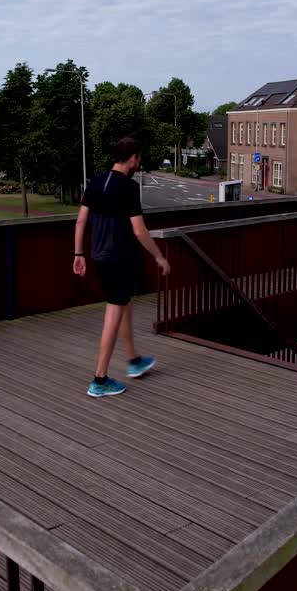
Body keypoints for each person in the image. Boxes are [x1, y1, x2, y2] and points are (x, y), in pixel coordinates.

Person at [73, 137, 170, 397]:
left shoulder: (95, 181)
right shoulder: (128, 187)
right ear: (133, 158)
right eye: (138, 158)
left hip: (99, 256)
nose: (139, 162)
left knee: (124, 303)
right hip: (119, 258)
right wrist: (159, 256)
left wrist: (79, 253)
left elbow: (81, 221)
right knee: (114, 312)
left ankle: (133, 360)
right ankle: (100, 379)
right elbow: (139, 230)